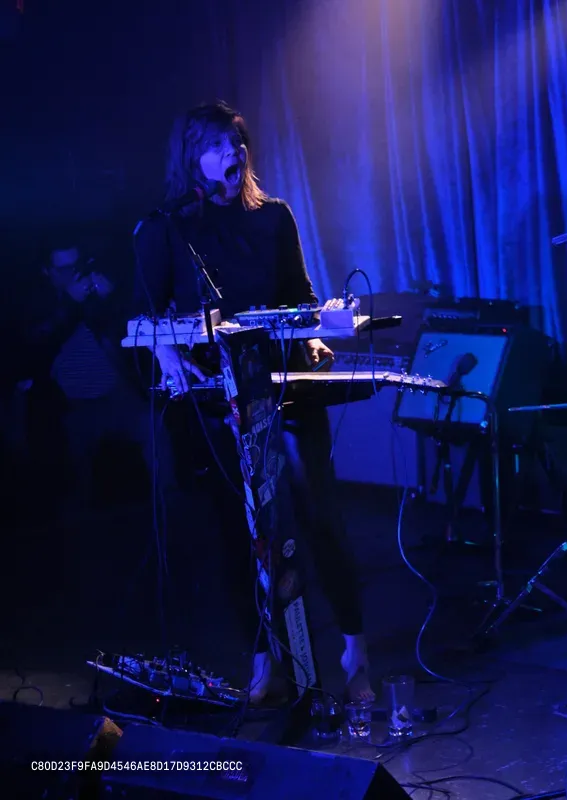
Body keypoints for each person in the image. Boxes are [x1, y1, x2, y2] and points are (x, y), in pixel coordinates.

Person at [133, 101, 374, 705]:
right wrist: (172, 363)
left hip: (286, 389)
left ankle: (355, 649)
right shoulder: (168, 227)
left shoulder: (274, 218)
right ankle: (262, 656)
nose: (233, 155)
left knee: (319, 516)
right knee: (240, 536)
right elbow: (148, 314)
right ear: (193, 158)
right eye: (218, 146)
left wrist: (317, 334)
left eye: (238, 143)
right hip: (220, 401)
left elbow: (302, 296)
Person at [18, 240, 171, 511]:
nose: (74, 274)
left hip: (115, 396)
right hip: (68, 405)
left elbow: (127, 332)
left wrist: (109, 298)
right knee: (73, 482)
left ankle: (171, 508)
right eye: (64, 269)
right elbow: (35, 343)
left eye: (77, 266)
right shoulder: (37, 302)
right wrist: (69, 302)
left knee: (154, 428)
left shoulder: (94, 297)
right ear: (47, 271)